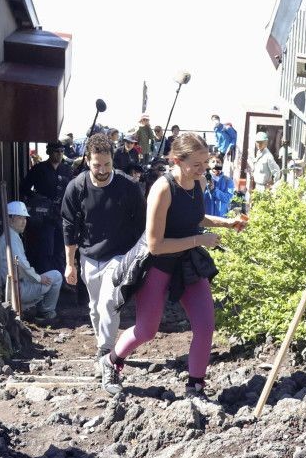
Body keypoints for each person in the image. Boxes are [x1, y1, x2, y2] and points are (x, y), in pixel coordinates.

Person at [100, 133, 246, 397]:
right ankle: (111, 361)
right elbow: (156, 244)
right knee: (147, 330)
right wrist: (199, 240)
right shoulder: (162, 189)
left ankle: (196, 385)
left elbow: (195, 218)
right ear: (177, 160)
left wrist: (226, 222)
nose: (203, 170)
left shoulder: (199, 182)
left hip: (187, 262)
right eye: (198, 165)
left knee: (205, 325)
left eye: (206, 163)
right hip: (157, 264)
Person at [61, 133, 146, 369]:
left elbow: (142, 225)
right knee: (95, 307)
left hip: (119, 255)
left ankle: (107, 352)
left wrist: (139, 259)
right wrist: (70, 263)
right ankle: (103, 346)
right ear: (87, 160)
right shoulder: (76, 188)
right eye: (97, 164)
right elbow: (69, 226)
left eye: (107, 164)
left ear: (113, 161)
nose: (102, 170)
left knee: (109, 302)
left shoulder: (128, 187)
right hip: (89, 255)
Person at [0, 201, 63, 322]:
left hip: (11, 287)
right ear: (10, 219)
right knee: (56, 276)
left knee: (44, 275)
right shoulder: (12, 238)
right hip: (17, 289)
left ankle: (38, 309)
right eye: (19, 218)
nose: (24, 222)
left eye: (25, 218)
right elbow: (22, 265)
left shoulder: (9, 235)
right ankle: (45, 313)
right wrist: (38, 278)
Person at [22, 140, 72, 274]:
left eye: (62, 151)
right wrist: (38, 199)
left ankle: (61, 281)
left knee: (60, 250)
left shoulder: (67, 169)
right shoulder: (39, 169)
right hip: (43, 217)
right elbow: (24, 188)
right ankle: (46, 279)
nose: (59, 154)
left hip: (61, 215)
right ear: (49, 152)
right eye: (56, 151)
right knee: (45, 249)